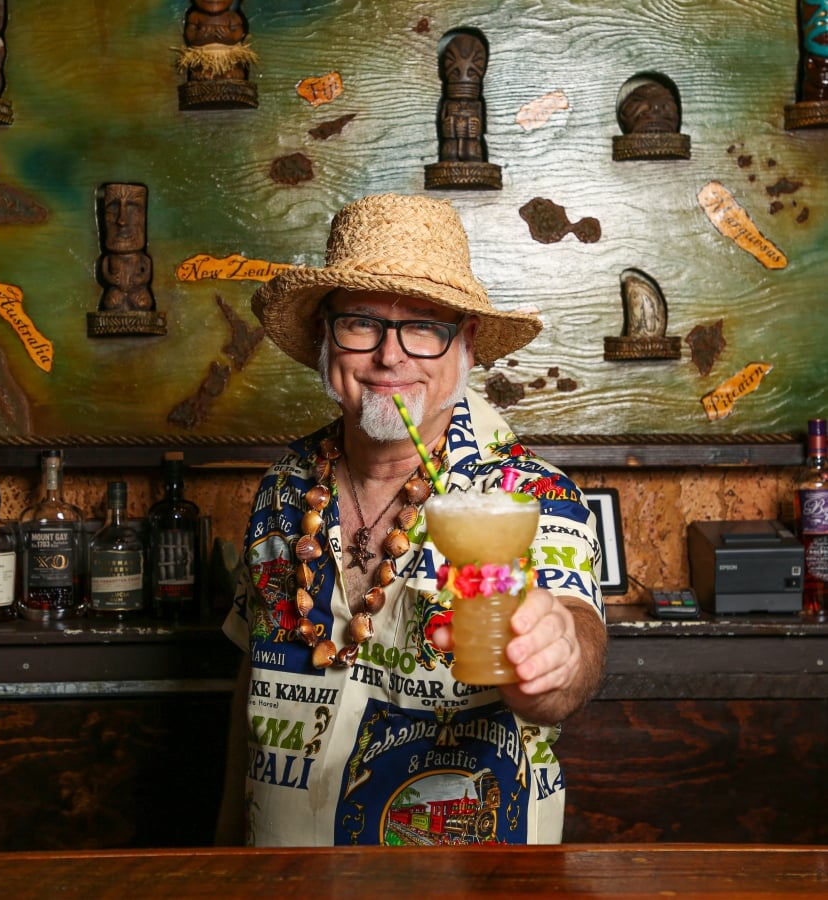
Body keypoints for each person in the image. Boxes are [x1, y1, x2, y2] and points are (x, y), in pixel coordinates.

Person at [217, 192, 607, 847]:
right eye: (362, 323)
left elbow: (575, 646)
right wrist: (225, 851)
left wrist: (556, 657)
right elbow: (248, 684)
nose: (390, 358)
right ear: (324, 339)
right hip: (281, 880)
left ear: (468, 345)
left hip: (466, 883)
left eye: (425, 327)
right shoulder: (283, 487)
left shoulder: (526, 493)